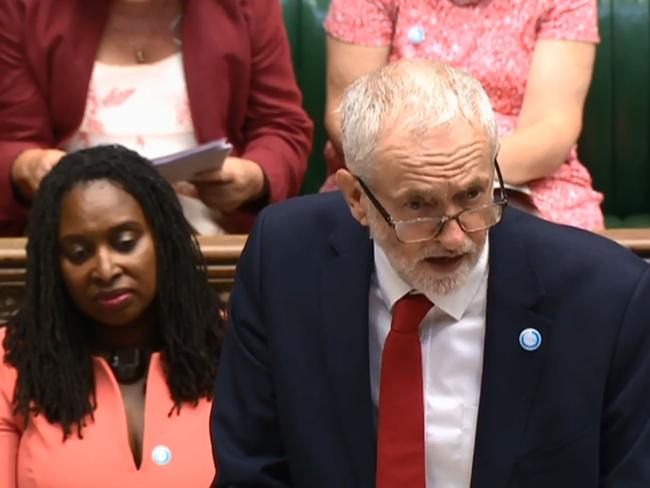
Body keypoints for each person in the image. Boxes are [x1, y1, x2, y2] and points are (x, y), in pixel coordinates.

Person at [210, 61, 650, 487]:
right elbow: (250, 469)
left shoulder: (608, 300)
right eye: (419, 206)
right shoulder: (285, 262)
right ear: (357, 200)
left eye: (473, 194)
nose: (456, 237)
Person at [0, 145, 224, 487]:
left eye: (124, 242)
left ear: (163, 240)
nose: (105, 269)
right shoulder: (12, 360)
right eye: (78, 253)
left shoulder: (234, 346)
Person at [0, 0, 313, 236]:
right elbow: (12, 139)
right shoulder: (25, 8)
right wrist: (26, 166)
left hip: (212, 250)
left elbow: (281, 128)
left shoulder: (246, 5)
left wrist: (253, 177)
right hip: (76, 253)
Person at [322, 0, 604, 230]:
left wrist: (461, 180)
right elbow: (344, 115)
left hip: (529, 178)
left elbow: (551, 129)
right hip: (391, 177)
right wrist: (419, 177)